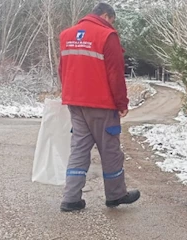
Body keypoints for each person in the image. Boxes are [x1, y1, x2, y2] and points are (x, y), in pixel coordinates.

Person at [57, 2, 140, 212]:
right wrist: (122, 103)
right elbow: (115, 74)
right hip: (102, 105)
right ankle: (115, 195)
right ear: (106, 15)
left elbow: (62, 69)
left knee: (79, 149)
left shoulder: (67, 35)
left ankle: (71, 198)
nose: (112, 25)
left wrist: (69, 93)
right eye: (112, 21)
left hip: (75, 103)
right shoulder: (107, 35)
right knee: (110, 150)